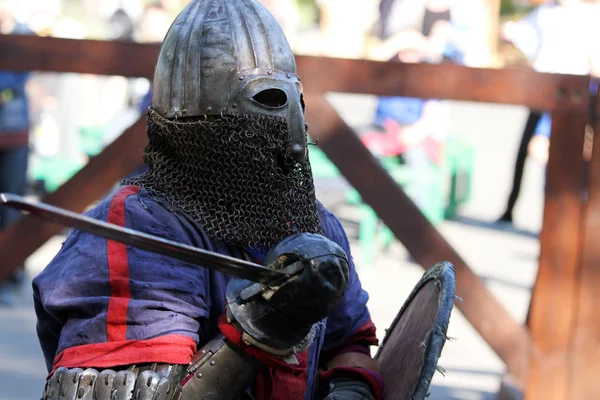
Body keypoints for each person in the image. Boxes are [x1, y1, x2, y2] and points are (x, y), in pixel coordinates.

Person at [33, 1, 384, 399]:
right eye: (266, 101)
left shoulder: (316, 226)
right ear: (194, 125)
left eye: (289, 103)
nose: (281, 126)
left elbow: (349, 346)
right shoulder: (132, 231)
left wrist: (351, 390)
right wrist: (265, 324)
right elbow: (137, 392)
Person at [497, 0, 600, 224]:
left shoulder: (589, 14)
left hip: (575, 96)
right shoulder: (545, 12)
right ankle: (517, 208)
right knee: (530, 150)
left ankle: (561, 214)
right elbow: (527, 40)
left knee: (569, 158)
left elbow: (594, 59)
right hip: (546, 90)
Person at [0, 0, 34, 304]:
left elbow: (16, 79)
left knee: (12, 204)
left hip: (14, 135)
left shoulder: (25, 36)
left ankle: (10, 272)